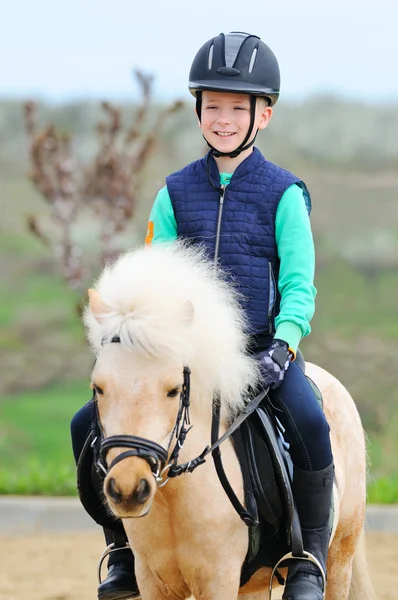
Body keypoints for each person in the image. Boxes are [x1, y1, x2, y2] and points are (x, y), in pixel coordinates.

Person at [71, 31, 334, 600]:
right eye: (212, 105)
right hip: (183, 359)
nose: (222, 118)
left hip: (262, 352)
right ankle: (120, 548)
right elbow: (152, 279)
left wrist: (283, 348)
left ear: (263, 115)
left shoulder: (285, 194)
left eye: (236, 108)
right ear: (198, 111)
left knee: (311, 421)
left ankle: (309, 556)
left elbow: (298, 287)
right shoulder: (172, 194)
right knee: (83, 425)